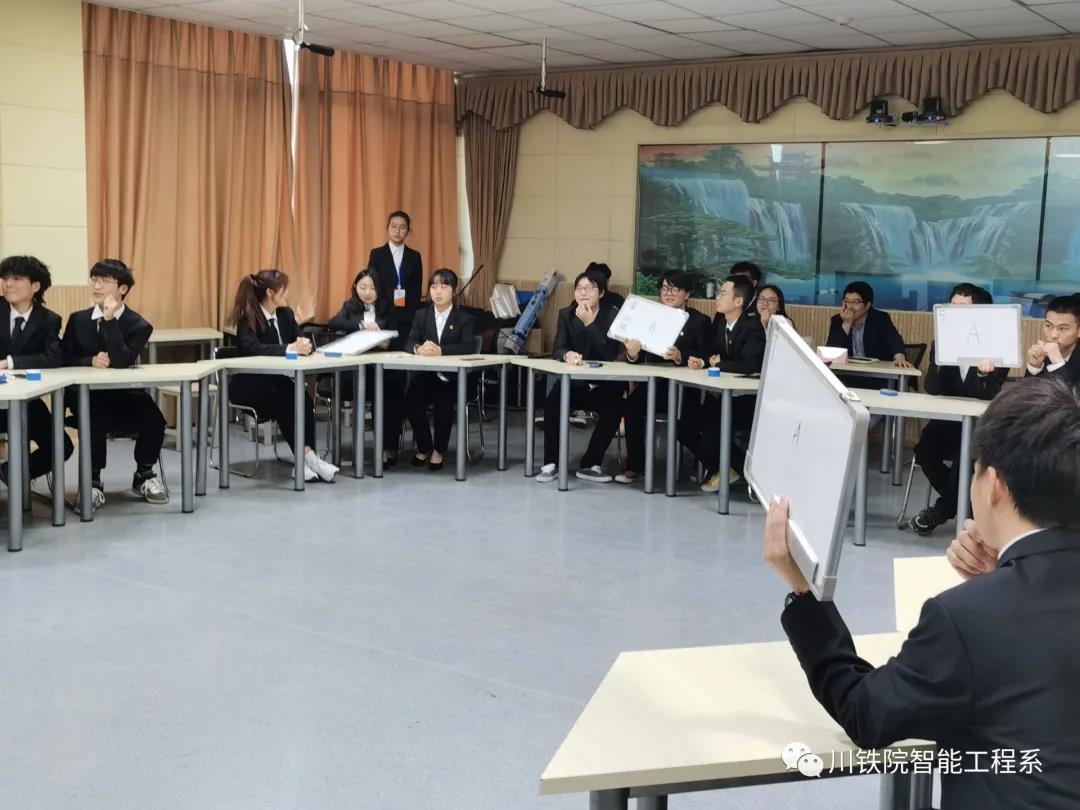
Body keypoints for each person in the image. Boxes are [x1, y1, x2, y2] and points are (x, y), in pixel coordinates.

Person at [765, 375, 1080, 810]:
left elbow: (867, 712)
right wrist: (1003, 573)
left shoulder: (965, 617)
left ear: (994, 485)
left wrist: (803, 589)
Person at [61, 259, 168, 508]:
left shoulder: (139, 325)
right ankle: (92, 482)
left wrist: (109, 320)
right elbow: (63, 356)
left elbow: (121, 360)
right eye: (94, 280)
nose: (96, 286)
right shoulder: (78, 320)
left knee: (154, 419)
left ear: (122, 288)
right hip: (86, 395)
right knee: (93, 417)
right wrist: (89, 360)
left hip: (125, 394)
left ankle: (144, 473)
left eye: (105, 281)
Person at [910, 283, 1008, 536]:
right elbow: (932, 388)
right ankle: (966, 508)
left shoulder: (997, 344)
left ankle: (942, 511)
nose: (953, 314)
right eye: (951, 307)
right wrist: (943, 358)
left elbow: (988, 393)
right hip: (948, 422)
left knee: (965, 457)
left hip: (980, 428)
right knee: (924, 453)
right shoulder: (942, 340)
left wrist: (983, 374)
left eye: (962, 308)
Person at [228, 269, 338, 483]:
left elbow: (300, 339)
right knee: (286, 400)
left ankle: (305, 461)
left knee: (302, 398)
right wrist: (289, 348)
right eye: (284, 289)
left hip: (278, 383)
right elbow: (251, 348)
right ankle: (309, 459)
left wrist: (304, 344)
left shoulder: (286, 314)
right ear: (270, 293)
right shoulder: (249, 317)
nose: (287, 293)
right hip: (249, 385)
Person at [616, 270, 710, 484]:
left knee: (691, 419)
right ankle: (636, 466)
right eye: (665, 288)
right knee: (632, 405)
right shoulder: (649, 316)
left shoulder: (699, 321)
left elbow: (706, 354)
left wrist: (680, 356)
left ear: (687, 294)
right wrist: (632, 354)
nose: (669, 293)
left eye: (675, 289)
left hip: (688, 387)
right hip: (656, 384)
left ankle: (700, 465)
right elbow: (637, 360)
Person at [536, 269, 624, 484]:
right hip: (574, 384)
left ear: (601, 293)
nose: (583, 293)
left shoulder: (612, 315)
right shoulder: (566, 314)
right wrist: (567, 354)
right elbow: (558, 348)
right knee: (552, 403)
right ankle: (551, 462)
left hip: (603, 385)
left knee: (614, 409)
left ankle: (590, 464)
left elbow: (609, 355)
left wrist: (589, 324)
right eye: (579, 288)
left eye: (590, 288)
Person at [678, 274, 765, 493]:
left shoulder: (752, 327)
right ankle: (721, 469)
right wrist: (702, 362)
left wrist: (719, 365)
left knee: (712, 435)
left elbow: (752, 364)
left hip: (746, 401)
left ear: (739, 301)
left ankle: (755, 476)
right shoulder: (721, 323)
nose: (717, 297)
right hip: (724, 397)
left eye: (723, 293)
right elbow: (712, 354)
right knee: (683, 427)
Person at [0, 256, 73, 484]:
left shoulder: (48, 320)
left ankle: (11, 473)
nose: (7, 284)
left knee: (61, 446)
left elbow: (54, 357)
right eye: (5, 278)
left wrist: (9, 362)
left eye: (16, 278)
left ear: (35, 286)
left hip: (27, 402)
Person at [327, 269, 404, 466]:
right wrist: (361, 325)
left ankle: (387, 447)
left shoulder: (389, 308)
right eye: (363, 287)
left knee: (391, 391)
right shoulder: (350, 306)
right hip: (355, 373)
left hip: (383, 369)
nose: (367, 292)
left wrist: (386, 341)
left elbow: (398, 337)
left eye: (372, 288)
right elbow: (334, 322)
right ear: (355, 287)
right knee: (372, 387)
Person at [403, 268, 475, 471]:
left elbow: (469, 346)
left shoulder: (464, 318)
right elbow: (409, 341)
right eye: (434, 287)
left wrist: (442, 351)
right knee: (410, 399)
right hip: (426, 376)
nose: (438, 292)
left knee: (444, 401)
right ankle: (425, 445)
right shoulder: (421, 315)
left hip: (452, 378)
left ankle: (439, 450)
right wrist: (418, 348)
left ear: (454, 290)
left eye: (444, 287)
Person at [826, 281, 911, 367]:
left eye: (855, 302)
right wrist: (846, 324)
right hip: (847, 371)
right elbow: (830, 353)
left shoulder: (880, 318)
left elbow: (894, 340)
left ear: (867, 305)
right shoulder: (837, 320)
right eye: (846, 301)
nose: (849, 307)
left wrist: (899, 358)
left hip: (876, 371)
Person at [368, 210, 423, 338]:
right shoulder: (376, 254)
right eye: (393, 226)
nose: (397, 231)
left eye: (402, 227)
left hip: (407, 317)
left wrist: (414, 317)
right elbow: (372, 285)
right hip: (382, 316)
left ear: (408, 231)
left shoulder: (414, 256)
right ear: (387, 228)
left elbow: (417, 289)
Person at [1025, 293, 1080, 386]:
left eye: (1062, 328)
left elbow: (1073, 394)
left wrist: (1058, 364)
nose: (1053, 335)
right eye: (1048, 325)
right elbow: (1025, 393)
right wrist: (1034, 367)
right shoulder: (1045, 355)